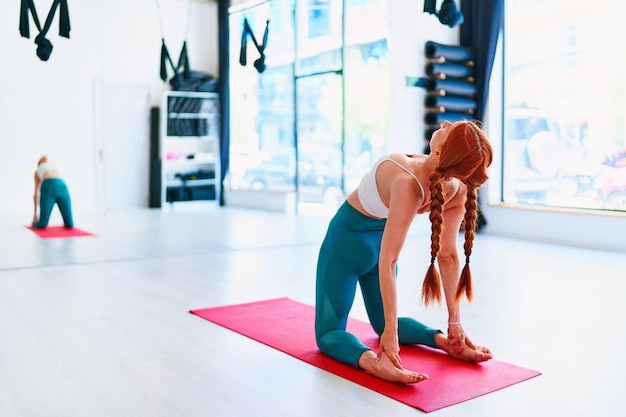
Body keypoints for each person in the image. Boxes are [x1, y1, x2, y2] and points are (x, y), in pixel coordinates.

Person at [315, 120, 494, 384]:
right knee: (384, 325)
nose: (444, 123)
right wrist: (452, 323)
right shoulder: (457, 184)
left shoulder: (407, 180)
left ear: (439, 154)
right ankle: (444, 341)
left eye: (449, 129)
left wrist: (394, 340)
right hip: (382, 249)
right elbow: (447, 256)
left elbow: (391, 260)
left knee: (328, 333)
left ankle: (376, 363)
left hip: (346, 245)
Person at [32, 156, 74, 229]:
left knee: (70, 225)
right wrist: (35, 214)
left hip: (62, 188)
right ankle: (35, 223)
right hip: (48, 187)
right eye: (42, 159)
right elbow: (36, 193)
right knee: (42, 224)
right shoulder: (38, 170)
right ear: (39, 163)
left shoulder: (56, 166)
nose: (45, 158)